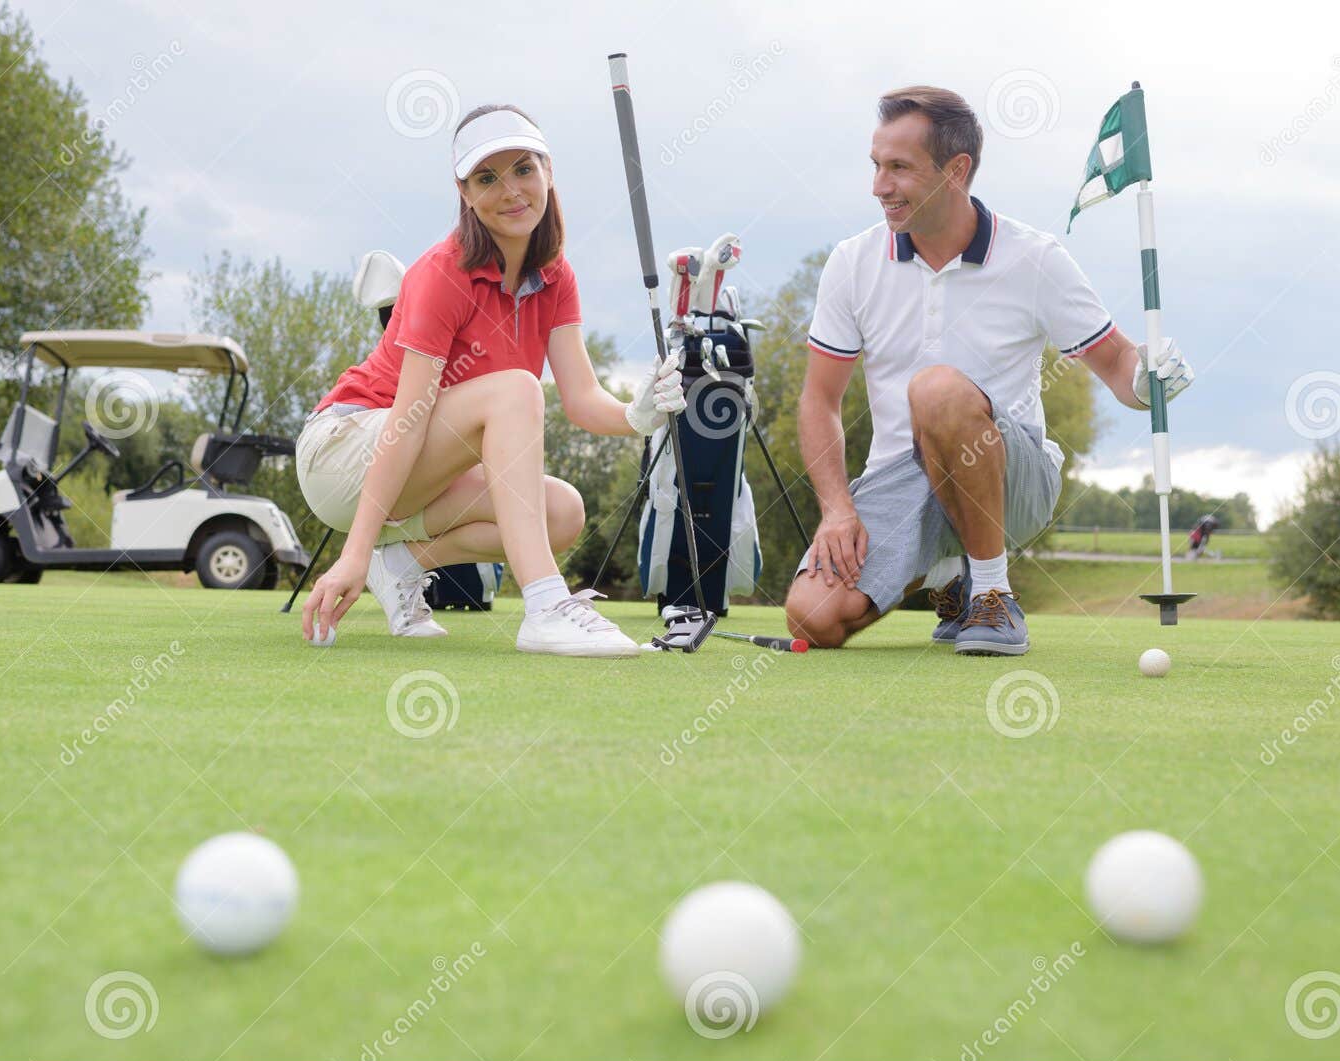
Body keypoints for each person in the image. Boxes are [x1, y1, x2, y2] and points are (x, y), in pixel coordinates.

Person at [785, 86, 1196, 655]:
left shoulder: (1035, 256)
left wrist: (1152, 378)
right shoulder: (852, 262)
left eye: (899, 168)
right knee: (813, 619)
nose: (879, 186)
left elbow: (1118, 363)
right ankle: (946, 574)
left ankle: (992, 594)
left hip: (1010, 476)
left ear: (957, 170)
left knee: (937, 391)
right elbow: (818, 401)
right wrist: (836, 509)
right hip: (901, 479)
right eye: (877, 166)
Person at [296, 104, 684, 657]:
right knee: (516, 387)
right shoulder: (440, 273)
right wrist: (353, 552)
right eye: (487, 178)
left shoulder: (557, 277)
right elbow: (407, 420)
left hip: (418, 477)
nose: (511, 191)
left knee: (563, 512)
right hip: (341, 455)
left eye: (524, 169)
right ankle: (546, 606)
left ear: (549, 171)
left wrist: (635, 415)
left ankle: (402, 566)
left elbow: (581, 398)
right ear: (465, 192)